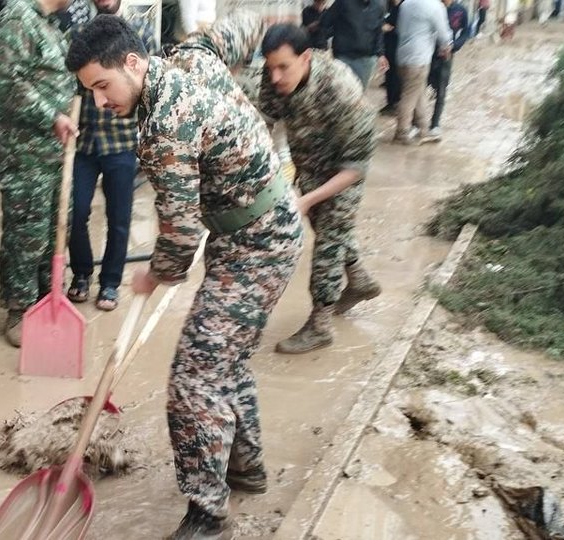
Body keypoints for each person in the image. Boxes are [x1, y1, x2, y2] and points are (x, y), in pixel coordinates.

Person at [67, 12, 304, 539]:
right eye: (91, 93)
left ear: (133, 61)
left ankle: (207, 513)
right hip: (257, 227)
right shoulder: (192, 55)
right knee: (225, 357)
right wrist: (274, 16)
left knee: (193, 378)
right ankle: (246, 469)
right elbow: (236, 29)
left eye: (103, 86)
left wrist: (156, 276)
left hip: (257, 245)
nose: (101, 102)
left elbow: (180, 233)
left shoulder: (163, 129)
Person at [253, 24, 382, 355]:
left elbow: (356, 167)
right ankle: (360, 280)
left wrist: (307, 200)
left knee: (328, 241)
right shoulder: (273, 79)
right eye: (271, 68)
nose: (276, 77)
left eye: (284, 67)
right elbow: (260, 128)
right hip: (308, 164)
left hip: (344, 168)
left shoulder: (341, 90)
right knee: (326, 227)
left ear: (306, 57)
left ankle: (320, 325)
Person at [0, 0, 78, 346]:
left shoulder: (51, 25)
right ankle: (19, 309)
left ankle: (48, 298)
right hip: (24, 153)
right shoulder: (17, 18)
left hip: (56, 153)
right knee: (27, 234)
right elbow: (9, 83)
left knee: (57, 227)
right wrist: (52, 117)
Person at [65, 0, 159, 312]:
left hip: (122, 144)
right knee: (74, 213)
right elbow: (73, 87)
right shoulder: (81, 34)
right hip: (85, 143)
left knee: (119, 218)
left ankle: (110, 282)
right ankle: (80, 273)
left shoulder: (140, 31)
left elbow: (150, 86)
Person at [393, 0, 452, 144]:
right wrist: (447, 47)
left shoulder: (406, 3)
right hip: (419, 58)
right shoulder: (435, 6)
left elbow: (399, 28)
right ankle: (402, 132)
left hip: (402, 56)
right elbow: (444, 34)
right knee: (409, 96)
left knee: (418, 93)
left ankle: (423, 129)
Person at [319, 0, 389, 89]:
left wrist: (381, 54)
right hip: (344, 58)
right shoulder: (343, 2)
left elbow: (378, 33)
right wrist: (323, 47)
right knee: (341, 92)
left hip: (366, 60)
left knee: (359, 94)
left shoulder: (378, 7)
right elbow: (325, 22)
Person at [427, 0, 470, 136]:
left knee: (441, 90)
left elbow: (466, 32)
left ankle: (435, 123)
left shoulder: (460, 10)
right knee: (420, 87)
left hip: (447, 55)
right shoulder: (432, 6)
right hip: (427, 53)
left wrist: (454, 45)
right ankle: (416, 122)